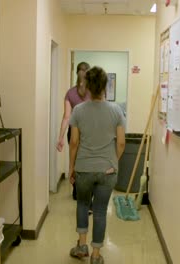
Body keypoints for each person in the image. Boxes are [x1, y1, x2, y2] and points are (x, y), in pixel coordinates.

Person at [68, 66, 126, 264]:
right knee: (100, 211)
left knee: (83, 205)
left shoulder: (78, 110)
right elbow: (121, 143)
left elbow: (74, 142)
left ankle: (81, 246)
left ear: (88, 86)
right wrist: (112, 162)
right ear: (105, 86)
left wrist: (71, 167)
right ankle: (95, 256)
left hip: (83, 168)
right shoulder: (116, 110)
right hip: (107, 170)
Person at [57, 62, 91, 200]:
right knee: (88, 161)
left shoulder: (70, 93)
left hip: (74, 133)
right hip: (90, 133)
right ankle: (88, 192)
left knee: (75, 161)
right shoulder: (94, 92)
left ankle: (77, 191)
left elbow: (66, 117)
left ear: (76, 73)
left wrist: (60, 138)